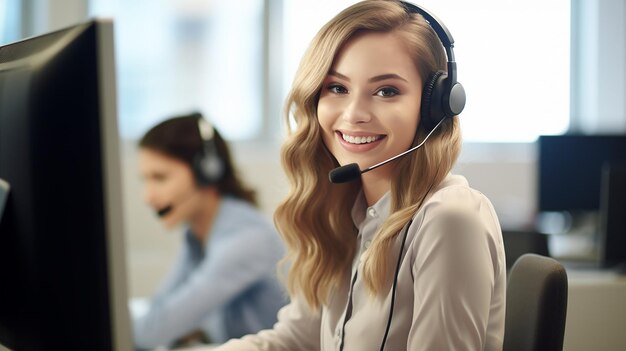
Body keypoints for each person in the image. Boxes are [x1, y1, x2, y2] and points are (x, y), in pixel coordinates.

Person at [214, 1, 506, 350]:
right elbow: (296, 340)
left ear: (434, 106)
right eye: (337, 88)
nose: (354, 114)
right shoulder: (347, 213)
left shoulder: (450, 221)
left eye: (386, 91)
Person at [132, 112, 287, 350]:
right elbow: (160, 309)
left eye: (160, 178)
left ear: (207, 171)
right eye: (145, 180)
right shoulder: (197, 233)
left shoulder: (247, 239)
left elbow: (153, 331)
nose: (148, 197)